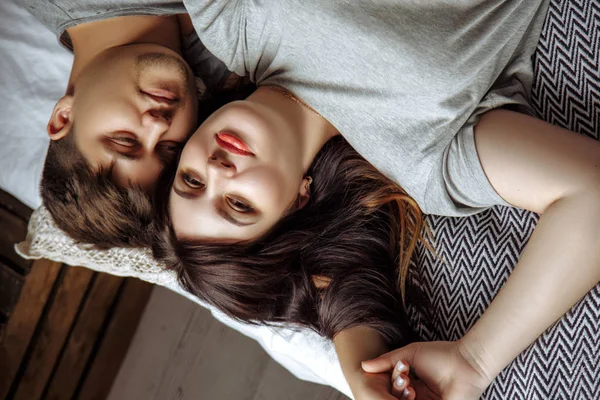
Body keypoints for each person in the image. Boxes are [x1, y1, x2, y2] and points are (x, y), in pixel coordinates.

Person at [152, 1, 600, 399]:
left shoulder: (228, 23)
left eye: (191, 180)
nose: (216, 170)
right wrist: (475, 361)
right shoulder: (423, 158)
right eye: (238, 205)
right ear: (296, 203)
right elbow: (589, 190)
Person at [23, 1, 248, 248]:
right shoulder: (237, 82)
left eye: (125, 140)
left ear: (63, 117)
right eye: (170, 148)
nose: (158, 126)